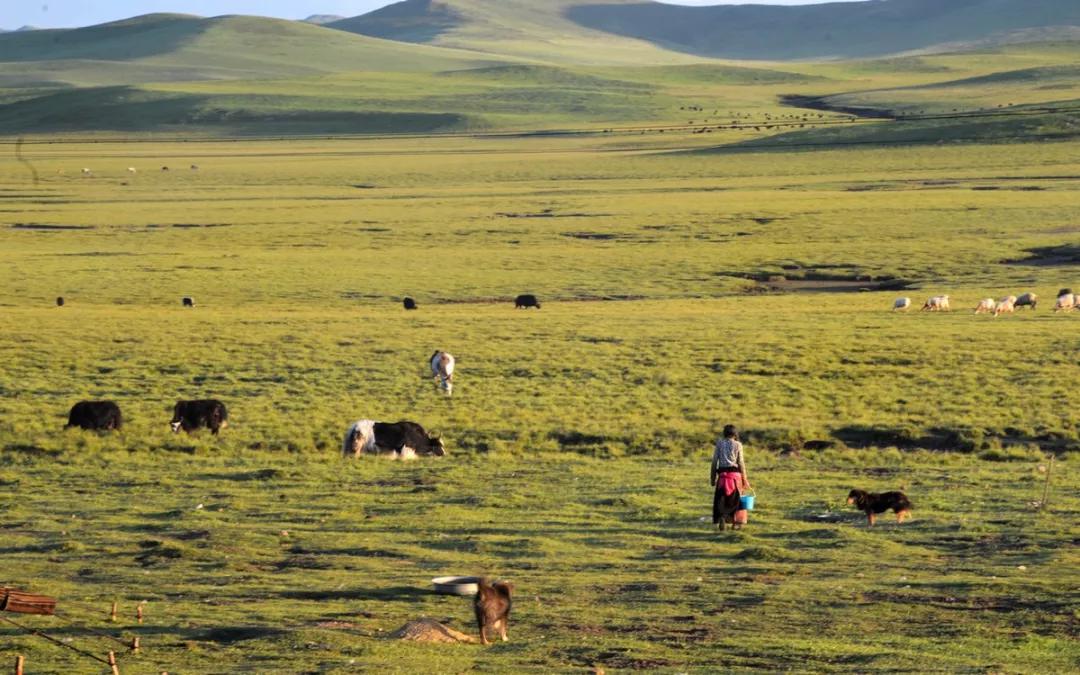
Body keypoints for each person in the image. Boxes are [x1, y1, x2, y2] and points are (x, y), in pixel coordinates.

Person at [710, 424, 750, 530]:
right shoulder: (738, 445)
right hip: (735, 477)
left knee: (721, 500)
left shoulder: (719, 443)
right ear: (735, 434)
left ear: (724, 433)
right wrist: (744, 479)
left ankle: (722, 518)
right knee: (737, 501)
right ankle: (735, 523)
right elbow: (741, 463)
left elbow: (714, 462)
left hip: (722, 477)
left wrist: (712, 478)